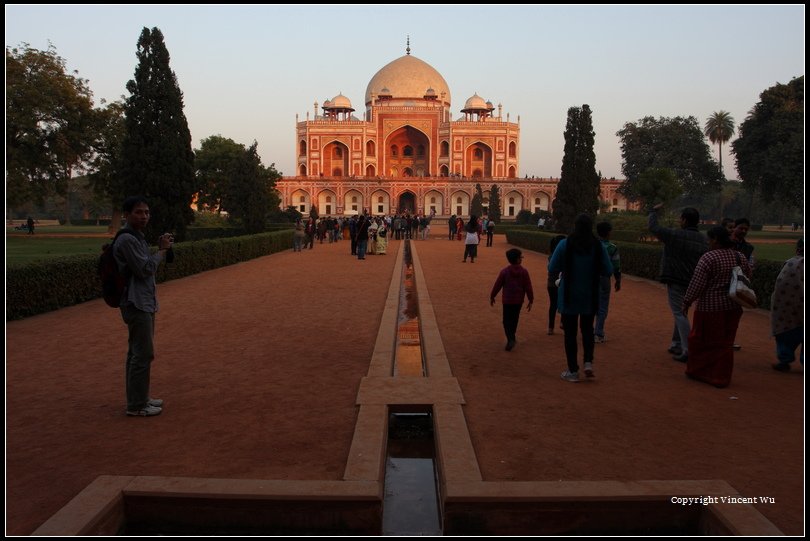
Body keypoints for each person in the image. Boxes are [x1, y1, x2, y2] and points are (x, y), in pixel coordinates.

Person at [113, 196, 174, 417]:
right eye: (139, 212)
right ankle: (137, 405)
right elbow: (145, 269)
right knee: (143, 353)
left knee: (136, 352)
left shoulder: (136, 237)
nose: (144, 216)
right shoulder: (128, 239)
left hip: (143, 300)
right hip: (135, 301)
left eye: (147, 212)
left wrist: (157, 250)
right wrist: (162, 251)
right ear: (127, 214)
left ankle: (140, 398)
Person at [682, 227, 751, 388]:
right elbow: (747, 276)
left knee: (701, 339)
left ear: (715, 240)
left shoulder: (709, 258)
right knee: (726, 342)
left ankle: (699, 371)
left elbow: (697, 284)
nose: (708, 242)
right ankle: (721, 376)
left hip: (710, 307)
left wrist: (687, 301)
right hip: (733, 307)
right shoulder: (739, 256)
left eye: (709, 239)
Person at [548, 214, 613, 382]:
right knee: (587, 330)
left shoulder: (565, 244)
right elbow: (608, 270)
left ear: (575, 227)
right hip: (590, 294)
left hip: (569, 294)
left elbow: (552, 266)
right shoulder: (598, 246)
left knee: (570, 333)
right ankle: (588, 363)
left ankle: (573, 371)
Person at [648, 203, 708, 363]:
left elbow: (653, 227)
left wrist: (653, 211)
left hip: (676, 278)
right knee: (682, 311)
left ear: (684, 220)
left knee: (679, 313)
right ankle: (676, 343)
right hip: (693, 280)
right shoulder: (704, 240)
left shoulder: (675, 235)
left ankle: (688, 348)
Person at [490, 248, 534, 351]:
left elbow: (497, 285)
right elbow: (528, 287)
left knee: (506, 321)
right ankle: (512, 337)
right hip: (518, 301)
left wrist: (492, 296)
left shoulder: (505, 271)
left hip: (507, 300)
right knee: (515, 319)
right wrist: (530, 299)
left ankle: (510, 338)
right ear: (518, 259)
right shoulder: (524, 272)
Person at [770, 239, 804, 372]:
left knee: (786, 335)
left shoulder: (792, 263)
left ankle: (784, 360)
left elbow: (782, 286)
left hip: (789, 311)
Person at [594, 222, 622, 343]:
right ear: (608, 232)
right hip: (604, 278)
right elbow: (616, 266)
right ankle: (598, 332)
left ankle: (590, 330)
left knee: (593, 303)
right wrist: (618, 280)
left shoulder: (592, 245)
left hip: (591, 278)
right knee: (603, 305)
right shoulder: (612, 247)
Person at [546, 235, 566, 335]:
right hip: (561, 282)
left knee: (553, 304)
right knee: (564, 302)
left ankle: (550, 327)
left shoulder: (551, 256)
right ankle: (562, 322)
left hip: (551, 283)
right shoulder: (565, 256)